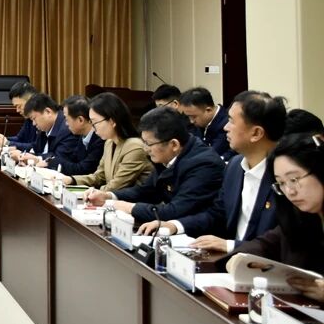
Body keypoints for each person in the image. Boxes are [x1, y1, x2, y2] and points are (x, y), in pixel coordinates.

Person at [138, 90, 285, 248]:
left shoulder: (286, 176)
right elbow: (217, 213)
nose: (226, 127)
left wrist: (230, 246)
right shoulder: (235, 167)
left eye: (232, 121)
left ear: (256, 133)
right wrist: (175, 225)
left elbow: (285, 244)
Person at [86, 106, 224, 225]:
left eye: (148, 144)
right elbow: (146, 191)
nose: (145, 149)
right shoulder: (166, 156)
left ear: (174, 144)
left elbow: (175, 211)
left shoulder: (204, 164)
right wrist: (108, 196)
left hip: (201, 234)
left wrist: (126, 207)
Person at [229, 133, 324, 297]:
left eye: (294, 180)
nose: (289, 191)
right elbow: (264, 245)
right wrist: (238, 259)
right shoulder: (301, 218)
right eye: (281, 183)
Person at [61, 92, 153, 191]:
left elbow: (117, 185)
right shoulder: (109, 143)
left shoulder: (134, 146)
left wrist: (92, 192)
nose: (93, 127)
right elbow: (99, 176)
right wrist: (71, 180)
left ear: (112, 121)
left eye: (95, 122)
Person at [9, 93, 80, 165]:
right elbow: (36, 147)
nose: (34, 124)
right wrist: (20, 153)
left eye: (34, 118)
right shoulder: (44, 128)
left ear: (48, 112)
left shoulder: (68, 128)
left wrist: (36, 158)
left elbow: (59, 158)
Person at [43, 95, 103, 176]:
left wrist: (52, 162)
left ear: (80, 120)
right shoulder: (82, 135)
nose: (66, 124)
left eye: (67, 119)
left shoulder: (99, 139)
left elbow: (83, 169)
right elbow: (71, 160)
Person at [180, 87, 233, 160]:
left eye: (194, 117)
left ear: (208, 110)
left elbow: (210, 154)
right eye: (188, 116)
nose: (191, 121)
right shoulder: (200, 123)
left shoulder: (226, 125)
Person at [0, 82, 38, 150]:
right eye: (16, 107)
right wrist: (3, 139)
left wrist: (7, 143)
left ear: (31, 101)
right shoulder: (28, 118)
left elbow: (37, 147)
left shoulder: (43, 119)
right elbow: (20, 138)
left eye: (19, 106)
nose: (17, 110)